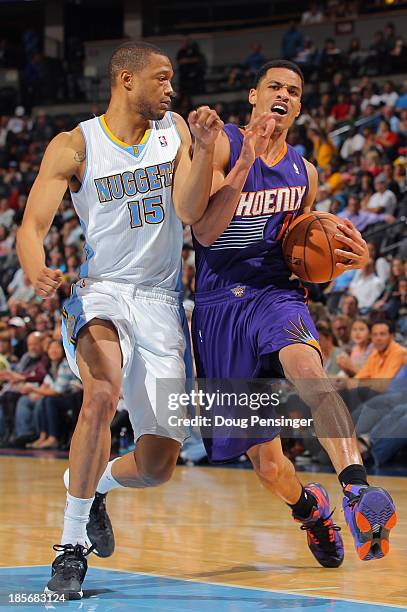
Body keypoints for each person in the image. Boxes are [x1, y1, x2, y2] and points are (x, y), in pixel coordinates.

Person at [16, 41, 223, 599]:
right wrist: (37, 271)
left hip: (161, 300)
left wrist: (203, 151)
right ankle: (70, 545)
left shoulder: (176, 129)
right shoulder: (75, 145)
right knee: (101, 395)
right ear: (126, 79)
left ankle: (96, 485)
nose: (171, 89)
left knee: (157, 467)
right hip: (101, 290)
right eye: (162, 78)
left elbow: (188, 209)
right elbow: (31, 227)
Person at [191, 60, 396, 568]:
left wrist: (352, 256)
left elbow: (304, 251)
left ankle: (355, 490)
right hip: (219, 306)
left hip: (275, 294)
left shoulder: (305, 172)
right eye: (275, 87)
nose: (283, 95)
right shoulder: (223, 145)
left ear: (299, 108)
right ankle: (311, 511)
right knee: (267, 464)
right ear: (254, 96)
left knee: (309, 370)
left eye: (294, 91)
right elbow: (204, 233)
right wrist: (245, 164)